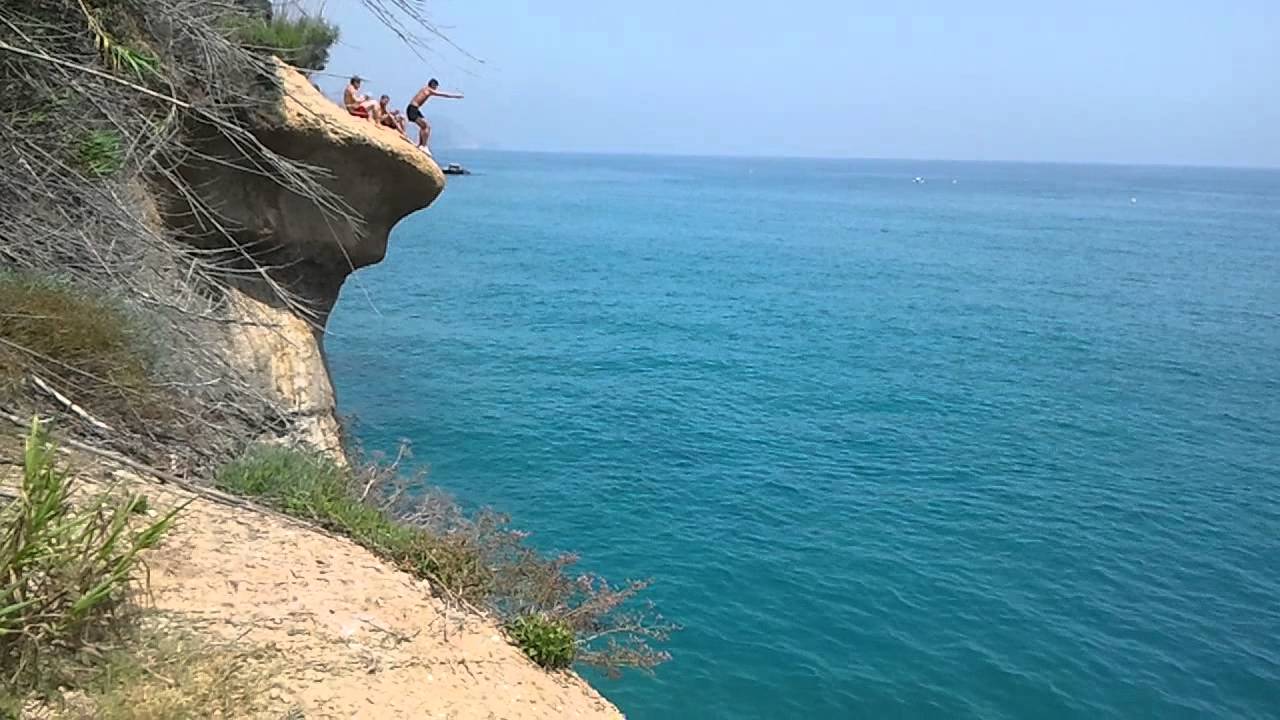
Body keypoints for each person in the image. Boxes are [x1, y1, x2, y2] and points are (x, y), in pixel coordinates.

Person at [405, 78, 463, 149]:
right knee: (425, 126)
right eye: (436, 86)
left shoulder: (425, 89)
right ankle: (424, 146)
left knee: (426, 126)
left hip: (415, 109)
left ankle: (420, 144)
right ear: (433, 85)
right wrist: (456, 96)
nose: (436, 88)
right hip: (412, 109)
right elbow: (443, 94)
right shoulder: (428, 90)